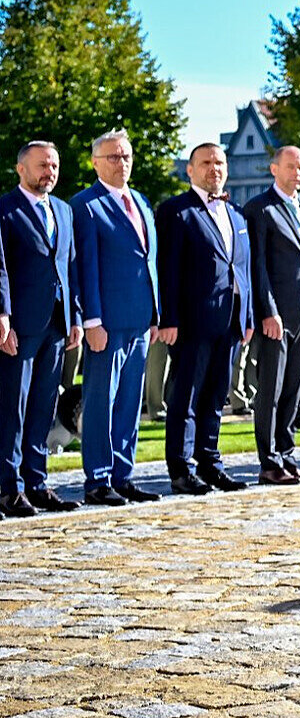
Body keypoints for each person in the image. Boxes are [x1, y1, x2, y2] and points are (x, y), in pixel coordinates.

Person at [156, 143, 253, 496]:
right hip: (192, 321)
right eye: (206, 163)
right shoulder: (175, 212)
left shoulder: (237, 215)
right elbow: (168, 270)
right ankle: (181, 469)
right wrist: (168, 318)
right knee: (186, 397)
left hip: (230, 321)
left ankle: (211, 463)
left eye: (220, 162)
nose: (215, 168)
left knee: (215, 396)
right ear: (191, 170)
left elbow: (243, 270)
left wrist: (249, 316)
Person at [71, 130, 162, 505]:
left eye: (125, 156)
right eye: (112, 157)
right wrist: (92, 320)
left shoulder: (139, 200)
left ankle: (123, 475)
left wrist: (156, 314)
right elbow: (85, 268)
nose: (121, 163)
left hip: (141, 320)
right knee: (100, 401)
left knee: (129, 402)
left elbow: (150, 262)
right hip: (106, 324)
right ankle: (97, 479)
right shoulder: (85, 205)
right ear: (95, 162)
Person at [0, 141, 83, 516]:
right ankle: (8, 487)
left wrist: (76, 318)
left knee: (43, 408)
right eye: (41, 165)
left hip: (57, 324)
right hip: (19, 325)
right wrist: (2, 315)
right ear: (21, 169)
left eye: (53, 165)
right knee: (11, 408)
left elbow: (71, 268)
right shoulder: (5, 210)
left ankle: (36, 481)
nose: (48, 171)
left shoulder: (64, 211)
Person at [243, 146, 300, 485]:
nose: (298, 172)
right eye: (291, 166)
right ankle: (269, 461)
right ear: (274, 169)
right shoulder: (259, 209)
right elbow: (258, 266)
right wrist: (268, 311)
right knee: (271, 391)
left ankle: (287, 453)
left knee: (296, 389)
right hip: (276, 317)